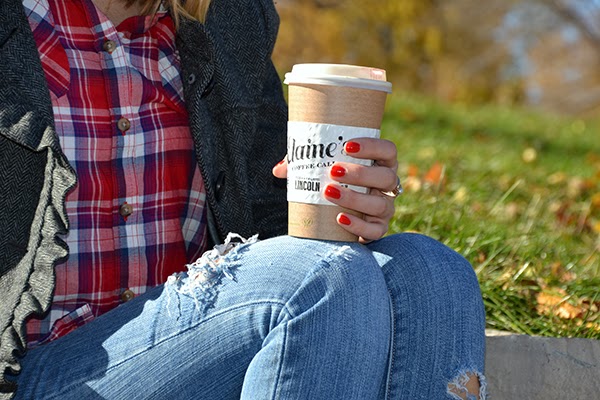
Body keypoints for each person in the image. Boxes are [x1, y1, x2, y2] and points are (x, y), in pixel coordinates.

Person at [0, 0, 487, 398]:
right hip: (38, 373)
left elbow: (272, 220)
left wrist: (344, 207)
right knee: (318, 280)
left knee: (433, 272)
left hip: (192, 350)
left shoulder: (229, 17)